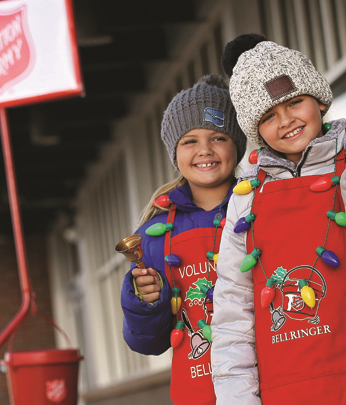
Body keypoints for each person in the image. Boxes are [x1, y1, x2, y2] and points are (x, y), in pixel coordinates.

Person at [211, 34, 346, 404]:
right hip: (290, 395)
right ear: (256, 131)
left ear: (319, 99)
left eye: (294, 102)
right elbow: (233, 314)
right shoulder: (245, 197)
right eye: (268, 116)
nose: (286, 121)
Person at [120, 73, 246, 404]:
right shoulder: (153, 236)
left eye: (218, 137)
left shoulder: (260, 207)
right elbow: (148, 343)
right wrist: (146, 302)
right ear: (174, 153)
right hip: (199, 392)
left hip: (273, 382)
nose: (205, 150)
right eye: (189, 141)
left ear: (237, 144)